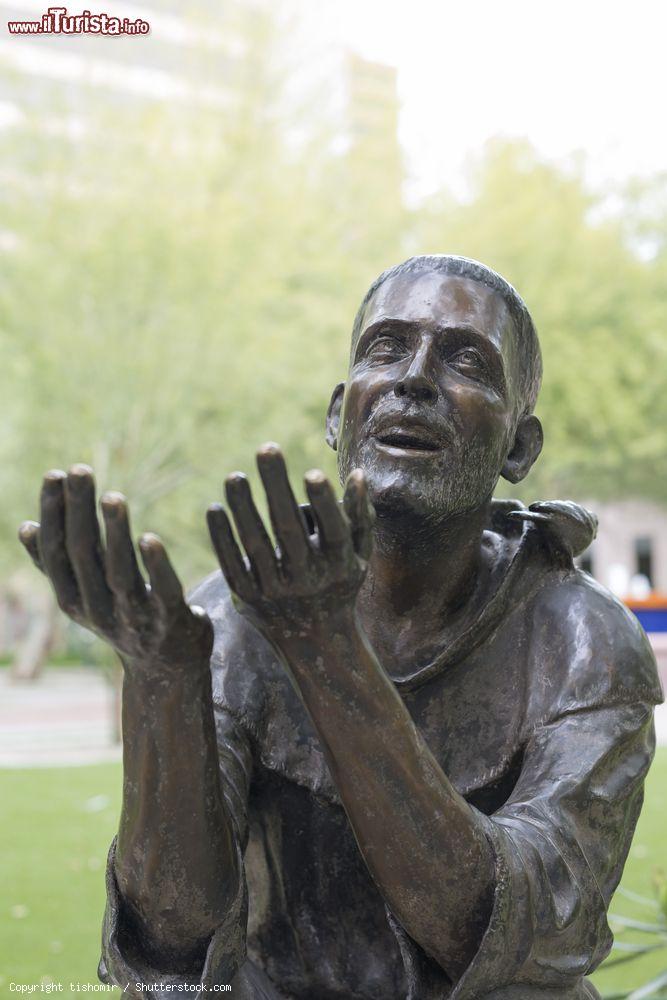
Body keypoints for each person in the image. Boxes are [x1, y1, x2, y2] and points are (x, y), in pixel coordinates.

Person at [20, 255, 663, 1000]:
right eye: (385, 349)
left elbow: (523, 932)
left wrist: (324, 651)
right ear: (339, 414)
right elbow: (173, 940)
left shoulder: (582, 643)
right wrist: (162, 681)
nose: (412, 379)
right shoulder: (232, 621)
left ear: (518, 446)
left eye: (464, 360)